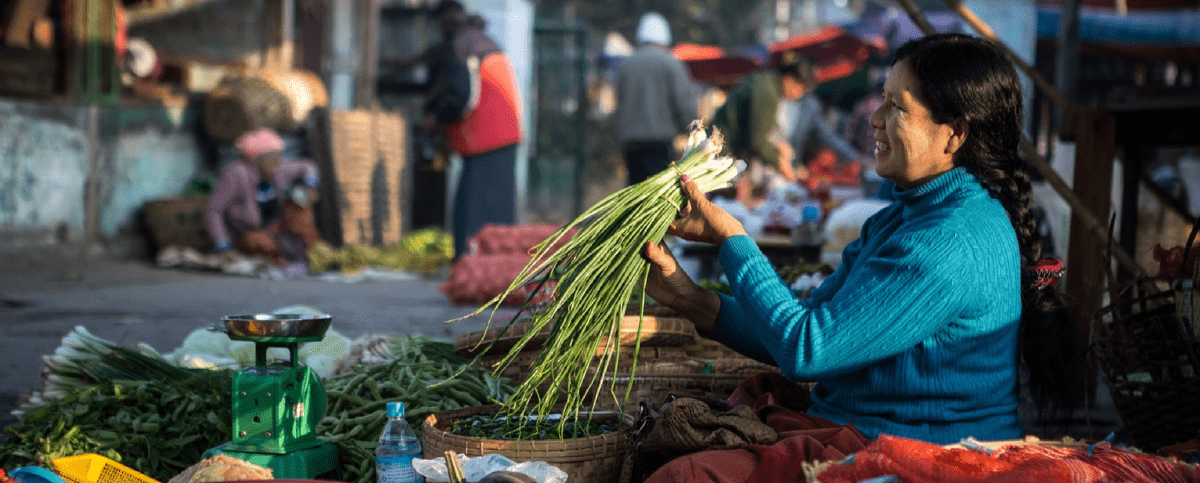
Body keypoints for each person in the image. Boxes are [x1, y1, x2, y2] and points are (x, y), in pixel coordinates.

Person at [640, 33, 1084, 480]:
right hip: (864, 430)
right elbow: (806, 323)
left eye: (897, 107)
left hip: (921, 452)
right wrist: (688, 298)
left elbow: (805, 349)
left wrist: (732, 239)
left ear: (953, 134)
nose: (874, 119)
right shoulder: (900, 220)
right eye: (882, 101)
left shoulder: (946, 241)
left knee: (684, 478)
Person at [424, 0, 522, 259]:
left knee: (471, 217)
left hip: (484, 138)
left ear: (443, 23)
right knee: (498, 214)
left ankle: (471, 267)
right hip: (505, 135)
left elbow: (460, 97)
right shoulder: (482, 41)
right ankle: (497, 267)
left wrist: (438, 117)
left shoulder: (460, 46)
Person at [205, 128, 321, 269]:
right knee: (260, 243)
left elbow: (308, 166)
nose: (277, 163)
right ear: (256, 161)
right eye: (272, 159)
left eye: (278, 158)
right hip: (250, 233)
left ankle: (317, 253)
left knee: (300, 211)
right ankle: (282, 260)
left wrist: (310, 186)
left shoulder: (277, 170)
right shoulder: (237, 174)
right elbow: (213, 210)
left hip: (276, 227)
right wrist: (223, 245)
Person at [709, 51, 812, 208]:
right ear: (789, 80)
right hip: (721, 153)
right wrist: (781, 164)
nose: (801, 94)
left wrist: (779, 147)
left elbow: (761, 127)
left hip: (724, 150)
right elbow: (757, 142)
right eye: (802, 88)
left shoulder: (766, 83)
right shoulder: (766, 92)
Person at [614, 12, 698, 186]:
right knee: (657, 192)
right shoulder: (671, 64)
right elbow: (683, 103)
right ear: (665, 39)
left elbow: (618, 103)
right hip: (659, 143)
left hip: (630, 143)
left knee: (635, 192)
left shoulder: (626, 65)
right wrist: (692, 129)